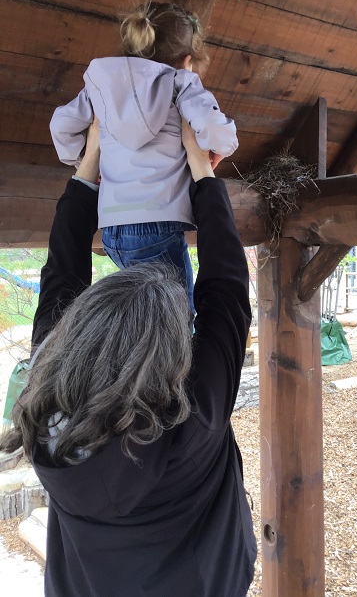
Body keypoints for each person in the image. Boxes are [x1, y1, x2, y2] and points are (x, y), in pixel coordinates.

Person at [0, 119, 256, 596]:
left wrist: (90, 168)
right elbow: (227, 291)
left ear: (76, 330)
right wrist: (197, 168)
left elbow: (227, 295)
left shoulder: (47, 397)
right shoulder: (192, 418)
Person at [49, 1, 238, 312]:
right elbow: (216, 130)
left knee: (151, 317)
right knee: (178, 321)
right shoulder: (181, 82)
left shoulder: (100, 86)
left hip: (111, 232)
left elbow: (61, 126)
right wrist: (217, 150)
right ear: (187, 60)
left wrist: (81, 159)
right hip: (159, 230)